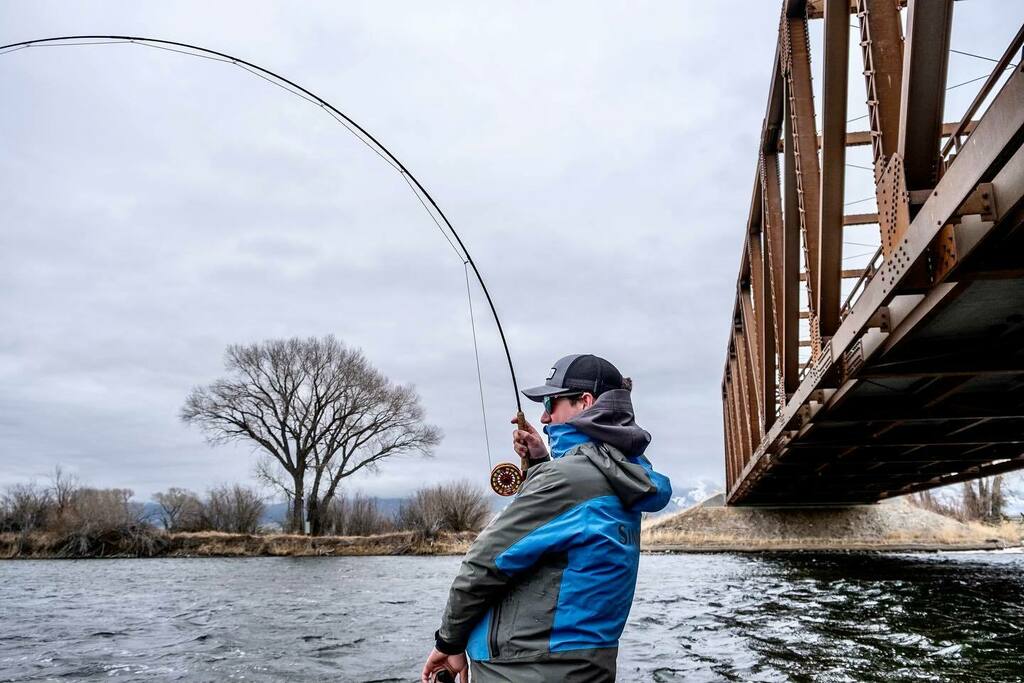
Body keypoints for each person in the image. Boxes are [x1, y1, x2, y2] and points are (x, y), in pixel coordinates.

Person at [420, 354, 672, 682]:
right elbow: (568, 543)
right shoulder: (624, 474)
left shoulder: (568, 480)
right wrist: (542, 463)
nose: (542, 416)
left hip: (522, 670)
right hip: (581, 668)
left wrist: (448, 642)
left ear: (584, 402)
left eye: (551, 402)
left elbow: (484, 564)